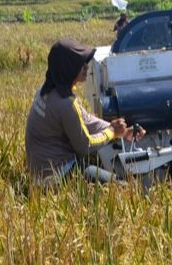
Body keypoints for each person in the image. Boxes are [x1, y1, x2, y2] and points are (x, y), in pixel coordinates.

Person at [25, 38, 144, 185]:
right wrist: (111, 132)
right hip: (58, 175)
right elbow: (85, 146)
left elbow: (85, 119)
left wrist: (120, 131)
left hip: (40, 172)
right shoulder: (65, 105)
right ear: (68, 69)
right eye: (80, 64)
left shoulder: (47, 90)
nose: (86, 67)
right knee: (123, 187)